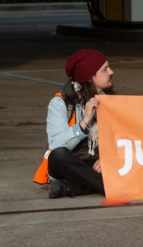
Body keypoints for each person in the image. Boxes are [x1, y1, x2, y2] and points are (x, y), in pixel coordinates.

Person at [44, 49, 114, 198]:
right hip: (74, 164)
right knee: (58, 156)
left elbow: (125, 138)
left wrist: (110, 157)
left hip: (99, 163)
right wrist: (84, 122)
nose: (111, 72)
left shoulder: (112, 100)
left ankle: (72, 188)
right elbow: (56, 145)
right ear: (89, 77)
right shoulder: (60, 103)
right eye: (105, 69)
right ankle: (109, 186)